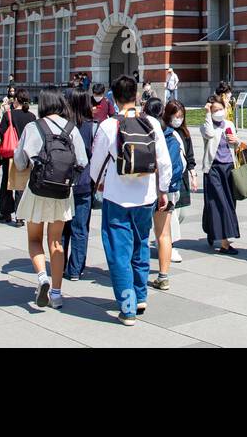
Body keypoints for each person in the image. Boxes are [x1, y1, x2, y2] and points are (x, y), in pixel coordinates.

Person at [90, 75, 172, 326]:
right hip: (146, 197)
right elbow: (164, 162)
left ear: (114, 98)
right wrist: (163, 190)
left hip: (117, 197)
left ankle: (127, 306)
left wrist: (99, 182)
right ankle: (140, 295)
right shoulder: (151, 123)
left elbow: (96, 164)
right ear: (136, 96)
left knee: (118, 251)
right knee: (140, 246)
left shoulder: (108, 126)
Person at [13, 88, 89, 310]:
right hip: (62, 192)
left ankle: (41, 278)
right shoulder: (71, 129)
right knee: (56, 241)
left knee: (34, 239)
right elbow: (82, 162)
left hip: (37, 189)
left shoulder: (32, 127)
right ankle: (56, 293)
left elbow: (19, 162)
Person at [151, 100, 187, 291]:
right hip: (166, 188)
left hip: (144, 189)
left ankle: (137, 274)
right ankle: (163, 276)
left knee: (141, 233)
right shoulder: (169, 135)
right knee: (164, 231)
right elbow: (170, 165)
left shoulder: (147, 132)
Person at [199, 93, 241, 253]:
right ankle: (225, 242)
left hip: (229, 167)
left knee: (227, 202)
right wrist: (208, 114)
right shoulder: (205, 125)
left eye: (220, 109)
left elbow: (237, 142)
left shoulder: (229, 123)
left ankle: (211, 229)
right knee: (221, 203)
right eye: (214, 110)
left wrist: (235, 141)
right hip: (213, 169)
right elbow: (209, 134)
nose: (218, 112)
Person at [62, 88, 97, 280]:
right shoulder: (91, 127)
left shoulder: (61, 126)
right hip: (83, 182)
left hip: (61, 182)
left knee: (62, 227)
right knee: (80, 227)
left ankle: (59, 264)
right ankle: (75, 269)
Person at [0, 89, 35, 224]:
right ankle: (20, 215)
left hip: (10, 153)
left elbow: (0, 133)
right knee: (22, 183)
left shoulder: (8, 115)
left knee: (7, 182)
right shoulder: (31, 116)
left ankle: (6, 213)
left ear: (16, 99)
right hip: (25, 153)